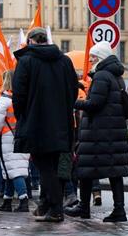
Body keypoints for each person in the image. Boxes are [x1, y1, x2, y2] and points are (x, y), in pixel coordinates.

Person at [13, 27, 79, 222]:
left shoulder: (26, 62)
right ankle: (47, 205)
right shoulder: (64, 61)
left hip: (35, 122)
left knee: (44, 167)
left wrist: (23, 117)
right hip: (61, 122)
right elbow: (74, 90)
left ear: (31, 41)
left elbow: (19, 95)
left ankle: (56, 209)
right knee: (51, 165)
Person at [66, 42, 128, 222]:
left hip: (99, 132)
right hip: (111, 131)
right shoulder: (115, 76)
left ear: (101, 57)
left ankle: (84, 207)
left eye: (93, 56)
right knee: (114, 172)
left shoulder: (102, 75)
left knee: (86, 169)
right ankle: (119, 210)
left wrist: (73, 102)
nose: (90, 59)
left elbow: (94, 104)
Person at [0, 69, 30, 213]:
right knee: (11, 170)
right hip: (22, 136)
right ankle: (7, 201)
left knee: (14, 171)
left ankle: (23, 200)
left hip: (7, 137)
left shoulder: (4, 100)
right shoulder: (24, 98)